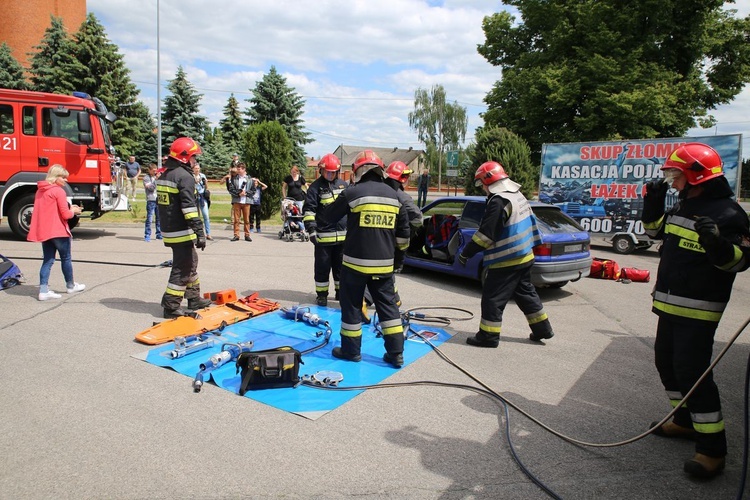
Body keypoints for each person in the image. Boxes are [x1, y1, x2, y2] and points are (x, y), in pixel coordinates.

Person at [641, 143, 750, 479]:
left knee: (693, 374)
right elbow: (654, 232)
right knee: (666, 365)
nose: (672, 181)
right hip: (669, 305)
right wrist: (653, 203)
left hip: (699, 311)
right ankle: (686, 422)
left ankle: (713, 450)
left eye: (676, 175)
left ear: (696, 176)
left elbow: (740, 261)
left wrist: (718, 244)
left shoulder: (730, 215)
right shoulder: (684, 204)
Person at [320, 150, 410, 368]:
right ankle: (396, 354)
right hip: (384, 266)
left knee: (351, 306)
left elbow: (328, 217)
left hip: (354, 265)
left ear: (358, 171)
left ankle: (351, 352)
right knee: (389, 308)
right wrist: (396, 263)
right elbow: (404, 237)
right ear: (380, 170)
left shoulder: (353, 193)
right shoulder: (395, 196)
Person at [457, 161, 554, 347]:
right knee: (526, 294)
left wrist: (466, 253)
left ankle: (488, 337)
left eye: (480, 183)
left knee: (492, 298)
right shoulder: (517, 195)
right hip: (525, 256)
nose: (482, 188)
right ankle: (543, 329)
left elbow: (485, 236)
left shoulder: (498, 201)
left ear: (488, 180)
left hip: (506, 260)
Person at [156, 137, 211, 318]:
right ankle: (171, 306)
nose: (195, 161)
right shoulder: (184, 177)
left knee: (191, 261)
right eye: (194, 157)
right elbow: (189, 208)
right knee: (183, 267)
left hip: (169, 228)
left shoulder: (166, 174)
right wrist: (200, 232)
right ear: (185, 157)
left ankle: (193, 297)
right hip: (180, 230)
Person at [26, 164, 85, 300]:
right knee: (66, 258)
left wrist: (69, 207)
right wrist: (74, 211)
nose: (66, 180)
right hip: (58, 231)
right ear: (56, 177)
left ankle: (43, 290)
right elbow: (66, 215)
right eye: (63, 177)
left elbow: (50, 209)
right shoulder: (58, 191)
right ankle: (70, 286)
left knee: (48, 260)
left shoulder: (40, 191)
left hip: (45, 231)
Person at [302, 154, 348, 306]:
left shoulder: (343, 185)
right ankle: (322, 295)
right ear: (321, 170)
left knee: (341, 268)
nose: (330, 174)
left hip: (342, 238)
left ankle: (341, 293)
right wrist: (312, 231)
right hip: (323, 238)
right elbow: (309, 211)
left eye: (333, 172)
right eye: (327, 172)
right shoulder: (315, 188)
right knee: (322, 268)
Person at [226, 162, 252, 242]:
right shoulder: (234, 179)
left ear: (244, 169)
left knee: (246, 220)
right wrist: (238, 194)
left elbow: (253, 190)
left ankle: (247, 235)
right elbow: (231, 189)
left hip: (246, 202)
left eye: (239, 169)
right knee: (236, 219)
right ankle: (236, 235)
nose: (238, 170)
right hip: (237, 201)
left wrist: (246, 193)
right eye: (237, 168)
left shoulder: (249, 179)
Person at [142, 163, 162, 242]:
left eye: (156, 170)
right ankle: (147, 234)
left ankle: (159, 233)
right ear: (149, 170)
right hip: (151, 199)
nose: (155, 172)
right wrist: (155, 181)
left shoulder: (158, 177)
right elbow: (150, 188)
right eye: (153, 171)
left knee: (159, 218)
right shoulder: (146, 178)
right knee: (150, 218)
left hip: (158, 199)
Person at [193, 163, 213, 240]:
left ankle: (208, 233)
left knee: (206, 215)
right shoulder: (191, 176)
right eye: (195, 168)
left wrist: (206, 186)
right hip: (194, 197)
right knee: (196, 217)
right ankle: (197, 233)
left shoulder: (202, 176)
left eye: (198, 168)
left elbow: (206, 187)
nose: (197, 170)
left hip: (202, 197)